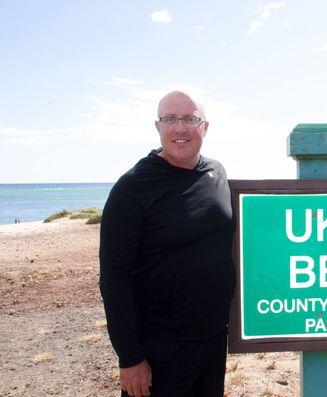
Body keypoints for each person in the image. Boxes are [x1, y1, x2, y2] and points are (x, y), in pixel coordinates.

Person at [99, 91, 235, 397]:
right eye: (170, 119)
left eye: (190, 118)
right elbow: (113, 278)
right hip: (158, 349)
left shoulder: (216, 172)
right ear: (157, 127)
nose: (180, 128)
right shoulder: (132, 188)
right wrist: (130, 357)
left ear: (205, 127)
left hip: (212, 341)